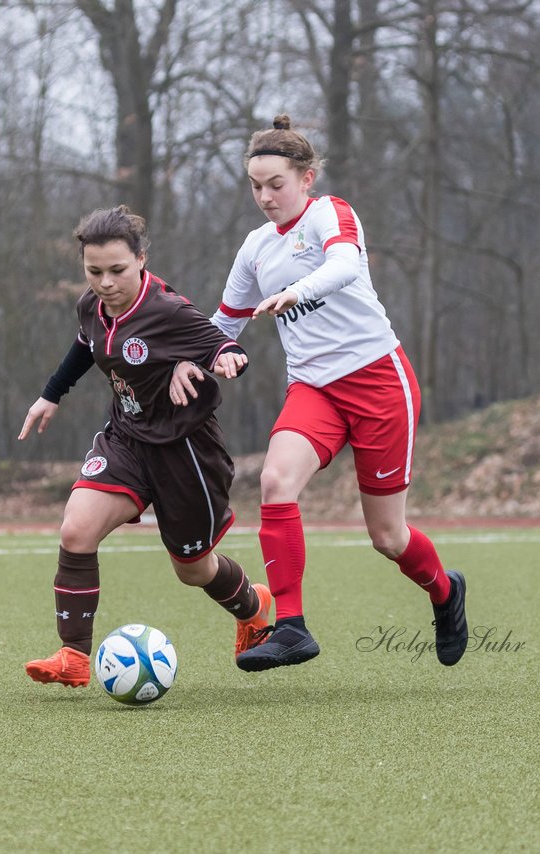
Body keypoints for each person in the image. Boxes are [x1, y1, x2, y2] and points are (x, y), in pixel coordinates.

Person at [184, 115, 468, 670]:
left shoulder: (330, 215)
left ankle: (444, 592)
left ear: (307, 178)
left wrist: (294, 292)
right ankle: (291, 626)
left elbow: (342, 266)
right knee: (274, 480)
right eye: (255, 186)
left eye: (275, 184)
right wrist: (192, 358)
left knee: (387, 537)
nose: (264, 197)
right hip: (314, 388)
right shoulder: (256, 247)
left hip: (378, 382)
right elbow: (224, 324)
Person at [20, 205, 274, 687]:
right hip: (128, 439)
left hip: (186, 452)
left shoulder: (166, 309)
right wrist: (50, 395)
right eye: (94, 271)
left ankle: (253, 606)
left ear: (141, 259)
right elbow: (84, 345)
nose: (106, 282)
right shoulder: (90, 305)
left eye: (117, 270)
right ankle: (73, 658)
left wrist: (221, 362)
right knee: (76, 531)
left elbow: (221, 345)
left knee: (193, 571)